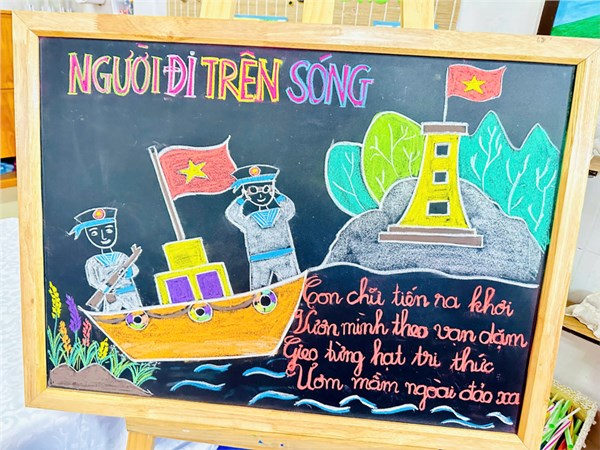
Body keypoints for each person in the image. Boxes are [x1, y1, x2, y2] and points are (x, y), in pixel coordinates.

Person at [226, 165, 300, 290]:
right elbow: (289, 208)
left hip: (279, 257)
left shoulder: (277, 216)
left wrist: (243, 199)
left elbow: (233, 214)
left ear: (271, 189)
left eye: (266, 189)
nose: (260, 195)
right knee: (265, 290)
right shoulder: (253, 220)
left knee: (287, 287)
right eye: (253, 190)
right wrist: (243, 198)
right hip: (264, 259)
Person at [69, 207, 143, 312]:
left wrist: (123, 272)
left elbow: (134, 271)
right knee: (111, 316)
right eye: (94, 233)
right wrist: (107, 285)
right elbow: (93, 281)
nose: (103, 237)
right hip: (110, 295)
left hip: (129, 292)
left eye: (108, 230)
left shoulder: (121, 256)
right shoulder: (92, 262)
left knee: (138, 313)